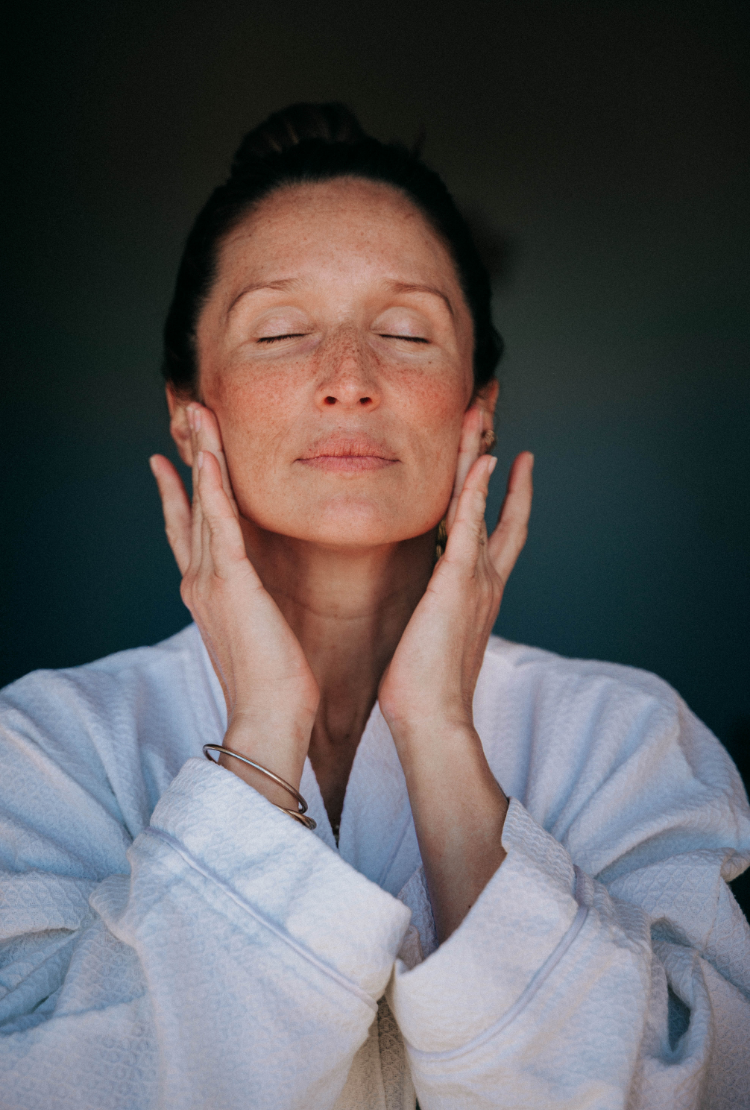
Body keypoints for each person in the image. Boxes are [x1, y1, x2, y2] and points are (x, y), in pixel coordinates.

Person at [1, 102, 749, 1110]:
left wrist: (439, 733)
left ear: (475, 414)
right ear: (191, 412)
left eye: (405, 332)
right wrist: (264, 731)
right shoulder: (42, 751)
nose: (348, 379)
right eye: (280, 331)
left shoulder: (629, 743)